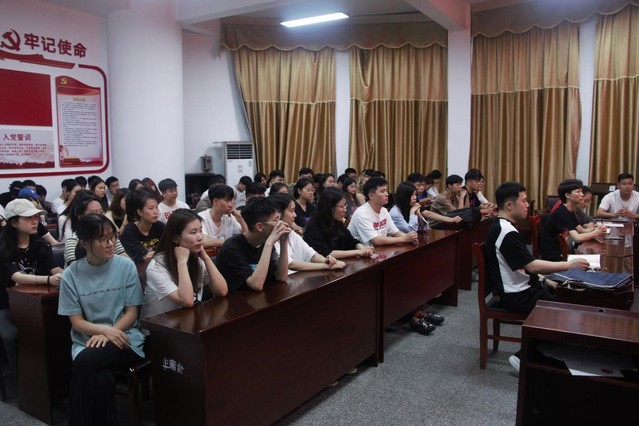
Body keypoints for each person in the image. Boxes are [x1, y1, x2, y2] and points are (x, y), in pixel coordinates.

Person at [483, 182, 589, 371]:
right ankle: (525, 356)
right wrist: (569, 265)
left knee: (568, 294)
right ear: (509, 205)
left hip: (524, 288)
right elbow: (532, 265)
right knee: (566, 307)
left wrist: (547, 280)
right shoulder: (506, 231)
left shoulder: (505, 227)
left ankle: (549, 350)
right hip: (517, 295)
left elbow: (524, 268)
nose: (527, 205)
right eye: (524, 201)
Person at [57, 214, 145, 425]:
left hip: (125, 338)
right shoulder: (71, 275)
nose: (111, 243)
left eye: (113, 237)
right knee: (102, 379)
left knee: (85, 362)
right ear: (85, 243)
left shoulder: (126, 266)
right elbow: (77, 322)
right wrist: (105, 331)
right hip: (88, 340)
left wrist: (110, 333)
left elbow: (132, 313)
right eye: (103, 239)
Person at [0, 199, 64, 381]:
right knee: (12, 336)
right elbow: (17, 277)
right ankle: (22, 380)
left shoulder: (40, 245)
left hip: (38, 302)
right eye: (29, 218)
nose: (36, 221)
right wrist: (49, 280)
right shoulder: (3, 247)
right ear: (14, 222)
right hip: (7, 304)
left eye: (36, 217)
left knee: (58, 326)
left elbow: (55, 269)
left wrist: (65, 274)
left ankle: (53, 377)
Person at [142, 209, 227, 318]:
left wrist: (205, 257)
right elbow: (187, 301)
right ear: (175, 238)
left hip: (190, 320)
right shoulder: (157, 267)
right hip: (160, 325)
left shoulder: (195, 257)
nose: (200, 237)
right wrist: (182, 262)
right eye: (193, 232)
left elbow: (222, 290)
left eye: (200, 230)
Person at [215, 197, 290, 292]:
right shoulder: (231, 247)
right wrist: (269, 243)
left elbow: (281, 277)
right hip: (238, 298)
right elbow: (256, 284)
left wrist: (284, 241)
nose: (280, 224)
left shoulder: (265, 242)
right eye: (276, 220)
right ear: (259, 227)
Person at [269, 193, 345, 273]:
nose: (295, 215)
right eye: (291, 211)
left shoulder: (290, 232)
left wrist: (327, 261)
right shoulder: (271, 237)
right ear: (279, 214)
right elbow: (291, 264)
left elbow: (312, 254)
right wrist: (325, 266)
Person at [540, 179, 606, 261]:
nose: (582, 194)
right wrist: (596, 233)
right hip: (554, 255)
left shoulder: (570, 210)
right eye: (578, 192)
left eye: (581, 191)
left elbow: (581, 230)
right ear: (567, 195)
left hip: (562, 251)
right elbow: (577, 238)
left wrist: (595, 229)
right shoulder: (562, 213)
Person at [303, 187, 375, 259]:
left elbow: (353, 242)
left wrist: (364, 249)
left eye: (345, 205)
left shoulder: (337, 222)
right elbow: (327, 253)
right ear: (329, 207)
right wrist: (358, 252)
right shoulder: (313, 226)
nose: (345, 210)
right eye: (341, 206)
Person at [347, 177, 418, 248]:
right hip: (359, 252)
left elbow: (395, 232)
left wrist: (410, 238)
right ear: (371, 195)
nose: (387, 194)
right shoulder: (362, 213)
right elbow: (376, 240)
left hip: (378, 250)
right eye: (382, 191)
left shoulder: (384, 211)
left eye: (386, 191)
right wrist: (404, 239)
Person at [63, 195, 129, 266]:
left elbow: (125, 258)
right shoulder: (72, 241)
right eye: (94, 213)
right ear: (81, 217)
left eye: (101, 212)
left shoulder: (110, 235)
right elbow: (77, 268)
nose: (99, 217)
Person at [121, 189, 165, 264]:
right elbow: (137, 254)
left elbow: (167, 246)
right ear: (140, 212)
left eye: (156, 207)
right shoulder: (130, 230)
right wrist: (150, 255)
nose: (156, 212)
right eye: (151, 208)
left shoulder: (160, 226)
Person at [198, 184, 246, 249]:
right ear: (215, 201)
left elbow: (245, 238)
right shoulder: (201, 217)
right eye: (227, 201)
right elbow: (204, 242)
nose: (230, 205)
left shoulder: (229, 217)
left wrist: (240, 217)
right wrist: (230, 243)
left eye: (231, 201)